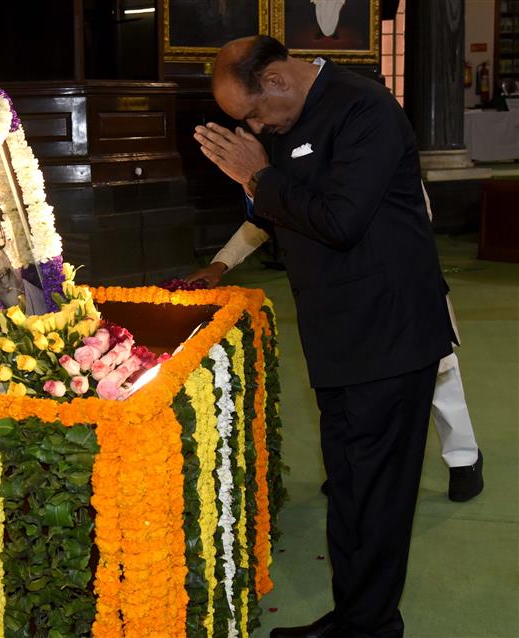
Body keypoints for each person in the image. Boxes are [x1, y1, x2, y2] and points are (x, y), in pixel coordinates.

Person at [194, 35, 457, 638]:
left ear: (279, 81)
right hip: (339, 333)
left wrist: (258, 175)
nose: (254, 126)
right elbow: (277, 211)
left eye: (253, 114)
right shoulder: (290, 120)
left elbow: (339, 220)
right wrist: (252, 182)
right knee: (351, 488)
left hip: (386, 334)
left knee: (377, 496)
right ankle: (358, 618)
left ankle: (371, 627)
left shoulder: (363, 109)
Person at [187, 203, 485, 504]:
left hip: (402, 279)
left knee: (437, 370)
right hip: (340, 294)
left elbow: (416, 212)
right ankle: (352, 467)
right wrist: (220, 263)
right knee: (353, 382)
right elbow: (268, 215)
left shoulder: (378, 158)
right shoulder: (291, 163)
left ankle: (464, 458)